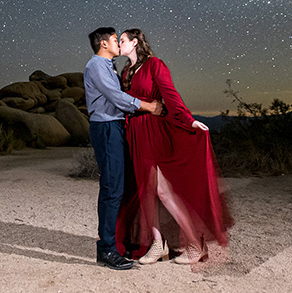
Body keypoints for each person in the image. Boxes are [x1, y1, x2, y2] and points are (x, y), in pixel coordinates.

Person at [115, 28, 233, 265]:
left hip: (152, 132)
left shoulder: (155, 64)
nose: (119, 43)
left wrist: (188, 119)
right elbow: (125, 102)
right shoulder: (126, 71)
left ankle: (194, 243)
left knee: (163, 191)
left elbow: (170, 94)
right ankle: (157, 244)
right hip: (134, 134)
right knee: (145, 193)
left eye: (123, 40)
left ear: (135, 42)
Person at [84, 27, 162, 270]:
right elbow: (117, 98)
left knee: (116, 185)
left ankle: (111, 243)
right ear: (104, 44)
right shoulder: (97, 65)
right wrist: (148, 107)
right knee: (112, 187)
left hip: (113, 127)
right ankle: (107, 249)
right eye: (116, 40)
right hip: (107, 129)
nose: (119, 43)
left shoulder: (108, 66)